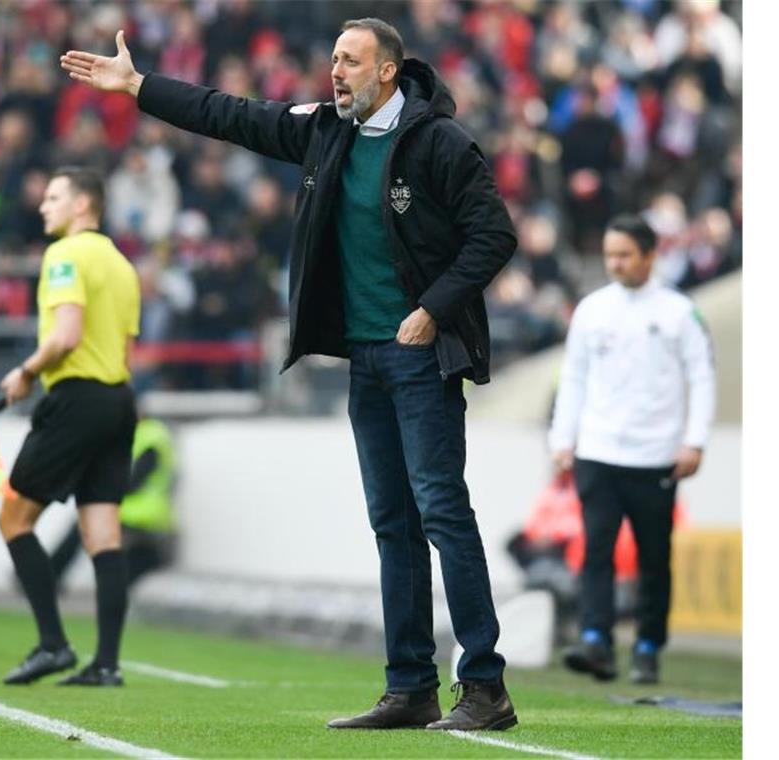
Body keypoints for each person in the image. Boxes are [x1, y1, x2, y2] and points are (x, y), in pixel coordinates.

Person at [62, 17, 518, 730]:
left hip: (422, 354)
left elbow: (496, 235)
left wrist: (432, 310)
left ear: (388, 72)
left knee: (442, 513)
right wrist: (140, 87)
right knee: (391, 521)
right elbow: (231, 116)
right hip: (365, 355)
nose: (334, 71)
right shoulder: (325, 129)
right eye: (333, 58)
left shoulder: (440, 143)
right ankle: (410, 686)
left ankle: (485, 686)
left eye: (351, 61)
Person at [548, 213, 716, 685]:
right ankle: (596, 640)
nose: (615, 264)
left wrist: (694, 440)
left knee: (652, 555)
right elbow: (574, 376)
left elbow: (701, 377)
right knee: (595, 548)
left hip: (656, 454)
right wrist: (563, 439)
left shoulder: (679, 313)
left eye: (624, 255)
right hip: (597, 450)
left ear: (649, 255)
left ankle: (647, 645)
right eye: (609, 256)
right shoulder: (592, 310)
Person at [0, 166, 141, 688]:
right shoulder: (123, 266)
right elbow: (123, 347)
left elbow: (66, 335)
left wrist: (25, 372)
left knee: (13, 519)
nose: (43, 205)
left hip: (76, 397)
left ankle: (53, 644)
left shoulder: (64, 256)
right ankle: (106, 663)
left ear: (83, 205)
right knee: (103, 534)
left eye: (54, 196)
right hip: (119, 399)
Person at [50, 416, 178, 587]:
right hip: (136, 513)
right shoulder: (139, 435)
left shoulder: (151, 437)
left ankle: (50, 574)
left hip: (140, 515)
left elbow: (135, 480)